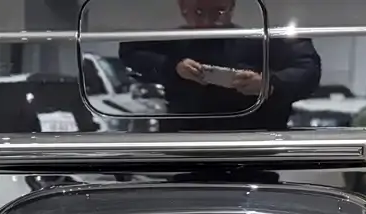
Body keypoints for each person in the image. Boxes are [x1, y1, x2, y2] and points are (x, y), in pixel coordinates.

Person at [119, 0, 321, 131]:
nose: (208, 20)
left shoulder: (262, 41)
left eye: (219, 11)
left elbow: (307, 69)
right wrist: (172, 67)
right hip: (186, 143)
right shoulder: (172, 40)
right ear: (183, 8)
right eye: (199, 11)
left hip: (255, 141)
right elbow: (130, 52)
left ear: (231, 7)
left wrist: (269, 84)